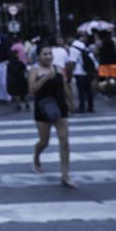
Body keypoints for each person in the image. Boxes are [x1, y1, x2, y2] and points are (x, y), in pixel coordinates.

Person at [29, 44, 75, 188]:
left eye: (50, 53)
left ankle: (65, 174)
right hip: (43, 108)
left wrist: (71, 101)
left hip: (60, 107)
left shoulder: (58, 68)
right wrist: (45, 78)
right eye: (45, 54)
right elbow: (32, 89)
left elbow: (65, 86)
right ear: (39, 56)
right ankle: (36, 155)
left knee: (64, 140)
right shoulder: (34, 70)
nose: (48, 56)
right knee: (44, 141)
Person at [69, 32, 97, 113]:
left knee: (81, 91)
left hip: (79, 71)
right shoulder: (84, 46)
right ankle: (90, 106)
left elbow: (73, 61)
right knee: (88, 90)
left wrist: (71, 72)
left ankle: (82, 107)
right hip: (87, 71)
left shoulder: (73, 47)